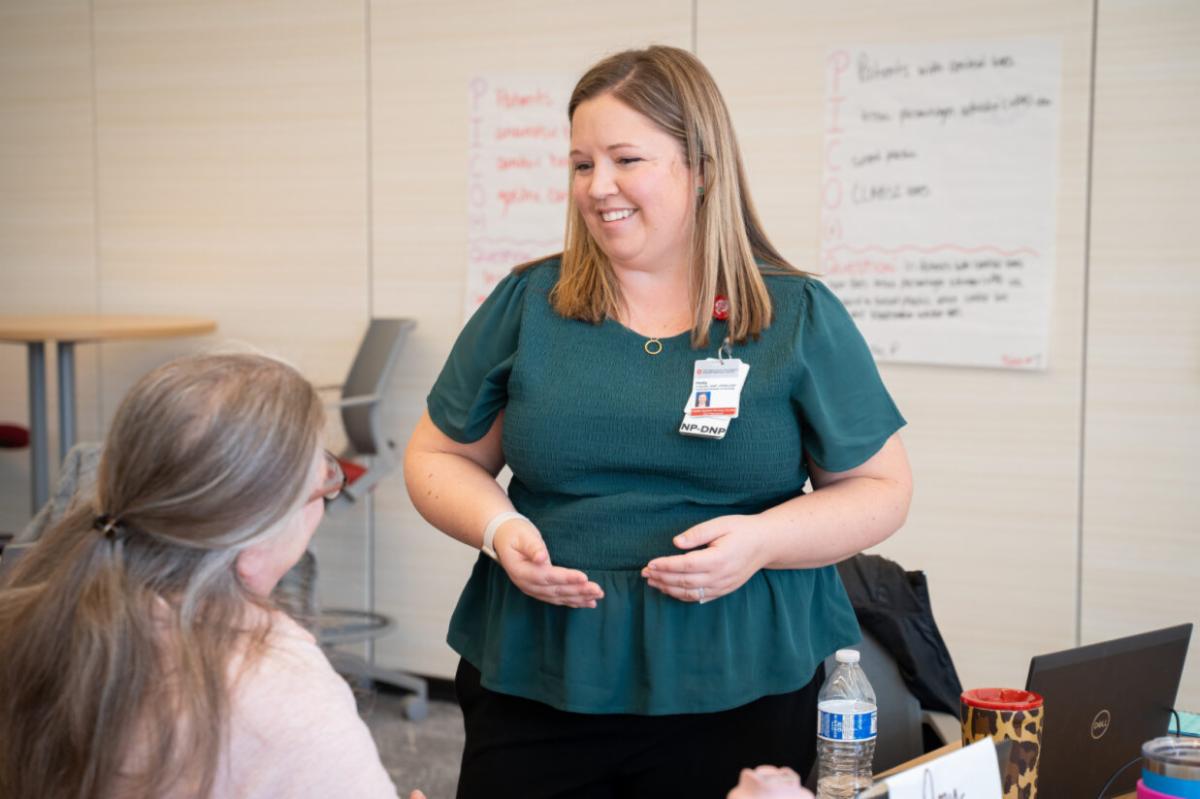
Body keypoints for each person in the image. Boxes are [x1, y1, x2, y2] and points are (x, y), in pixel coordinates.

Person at [405, 45, 911, 798]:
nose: (597, 187)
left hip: (741, 674)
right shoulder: (527, 304)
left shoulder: (794, 315)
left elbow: (881, 488)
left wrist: (763, 540)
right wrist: (497, 528)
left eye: (625, 159)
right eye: (581, 164)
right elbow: (436, 456)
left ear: (701, 167)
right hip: (541, 667)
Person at [0, 353, 419, 799]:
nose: (329, 492)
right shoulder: (289, 700)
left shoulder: (32, 618)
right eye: (322, 486)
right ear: (253, 543)